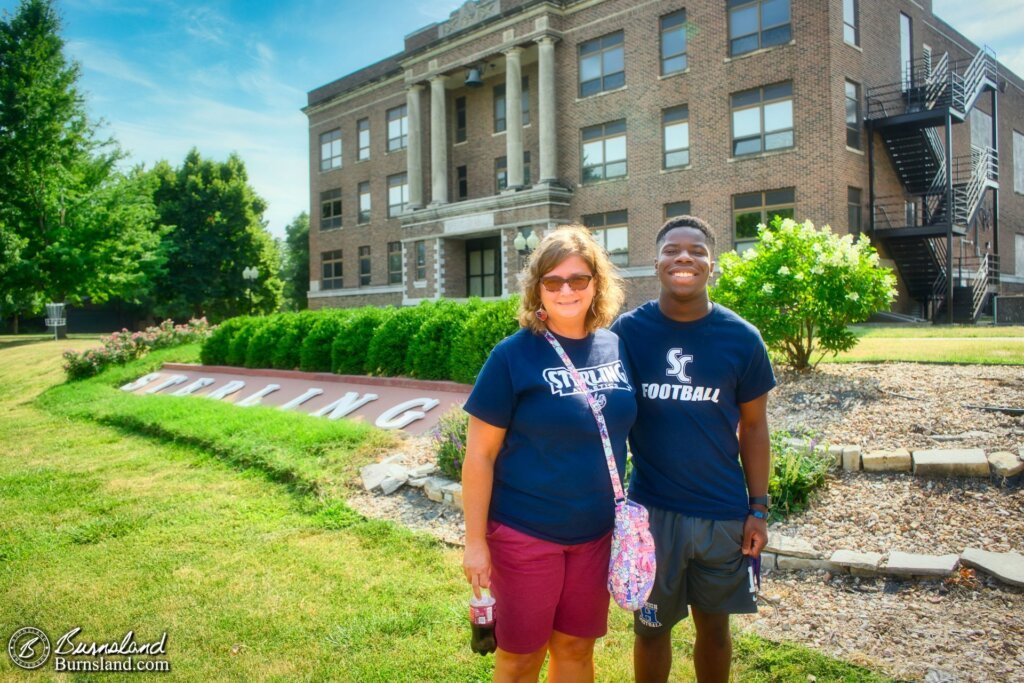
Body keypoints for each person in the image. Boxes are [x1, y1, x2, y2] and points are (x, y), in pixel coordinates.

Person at [461, 225, 636, 683]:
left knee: (576, 650)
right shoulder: (512, 357)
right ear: (537, 287)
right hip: (526, 535)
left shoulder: (615, 347)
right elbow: (479, 456)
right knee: (521, 658)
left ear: (596, 283)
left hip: (595, 536)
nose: (566, 290)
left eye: (577, 279)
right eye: (553, 281)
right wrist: (476, 542)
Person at [610, 215, 775, 683]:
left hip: (721, 515)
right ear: (656, 262)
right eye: (672, 250)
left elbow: (755, 426)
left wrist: (758, 509)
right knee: (650, 631)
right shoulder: (627, 334)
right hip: (651, 517)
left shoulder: (741, 338)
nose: (684, 257)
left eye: (697, 250)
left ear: (712, 263)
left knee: (715, 630)